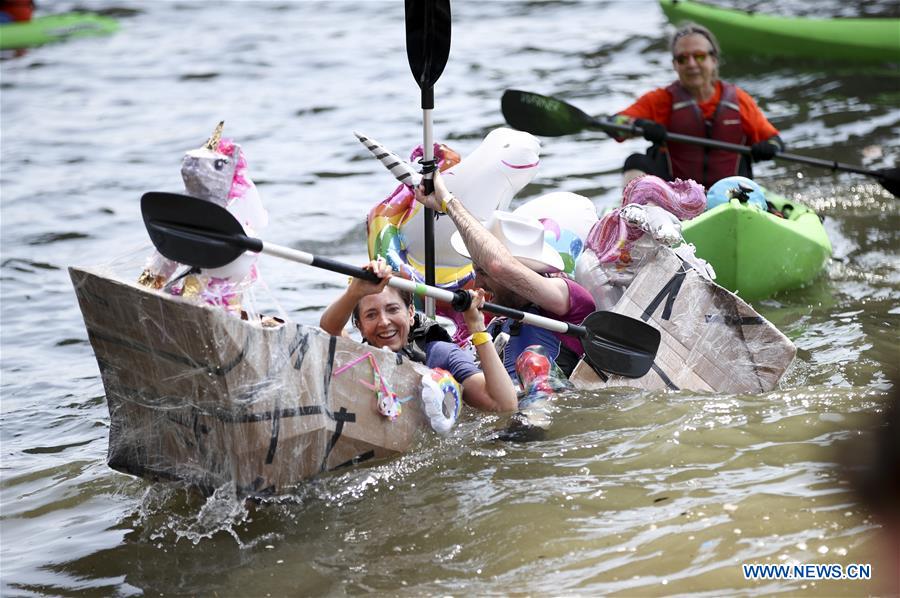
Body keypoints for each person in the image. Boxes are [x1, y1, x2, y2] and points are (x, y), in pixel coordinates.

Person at [414, 171, 596, 381]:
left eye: (482, 273)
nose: (478, 283)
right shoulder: (494, 326)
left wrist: (448, 202)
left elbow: (497, 265)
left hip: (553, 407)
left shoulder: (568, 297)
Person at [319, 257, 517, 413]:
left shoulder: (441, 355)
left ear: (411, 313)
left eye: (393, 309)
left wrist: (476, 325)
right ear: (360, 326)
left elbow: (503, 405)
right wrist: (354, 292)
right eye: (371, 315)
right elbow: (329, 329)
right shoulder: (357, 359)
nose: (384, 321)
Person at [614, 22, 784, 189]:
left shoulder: (739, 100)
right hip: (675, 198)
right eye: (682, 59)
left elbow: (775, 141)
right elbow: (614, 124)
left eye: (699, 56)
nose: (691, 64)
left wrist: (769, 148)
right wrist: (638, 125)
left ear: (714, 60)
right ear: (675, 65)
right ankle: (634, 211)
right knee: (635, 161)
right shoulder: (660, 100)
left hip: (731, 197)